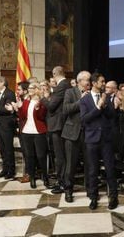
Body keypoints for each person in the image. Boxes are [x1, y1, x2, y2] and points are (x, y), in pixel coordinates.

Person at [80, 72, 118, 210]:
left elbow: (112, 115)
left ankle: (113, 196)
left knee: (110, 169)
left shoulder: (107, 97)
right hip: (91, 139)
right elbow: (84, 119)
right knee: (92, 170)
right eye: (102, 81)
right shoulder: (84, 99)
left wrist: (105, 105)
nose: (104, 84)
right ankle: (93, 196)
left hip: (106, 139)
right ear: (94, 83)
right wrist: (98, 107)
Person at [61, 71, 91, 203]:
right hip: (72, 133)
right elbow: (66, 109)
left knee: (90, 164)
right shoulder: (70, 92)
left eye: (89, 80)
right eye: (86, 80)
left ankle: (91, 190)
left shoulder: (92, 93)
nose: (89, 82)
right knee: (71, 164)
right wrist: (81, 101)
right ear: (79, 81)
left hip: (88, 133)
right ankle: (68, 190)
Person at [14, 82, 50, 189]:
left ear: (37, 89)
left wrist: (38, 108)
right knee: (29, 156)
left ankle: (45, 177)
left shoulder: (41, 101)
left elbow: (42, 117)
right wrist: (19, 108)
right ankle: (32, 178)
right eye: (29, 88)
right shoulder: (25, 101)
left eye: (32, 88)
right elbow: (22, 117)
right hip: (26, 132)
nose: (29, 89)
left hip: (39, 131)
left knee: (41, 156)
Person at [42, 66, 71, 194]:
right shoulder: (66, 84)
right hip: (60, 125)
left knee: (60, 156)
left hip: (58, 125)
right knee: (61, 156)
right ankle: (62, 181)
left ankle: (62, 183)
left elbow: (52, 106)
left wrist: (44, 97)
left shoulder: (62, 85)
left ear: (54, 74)